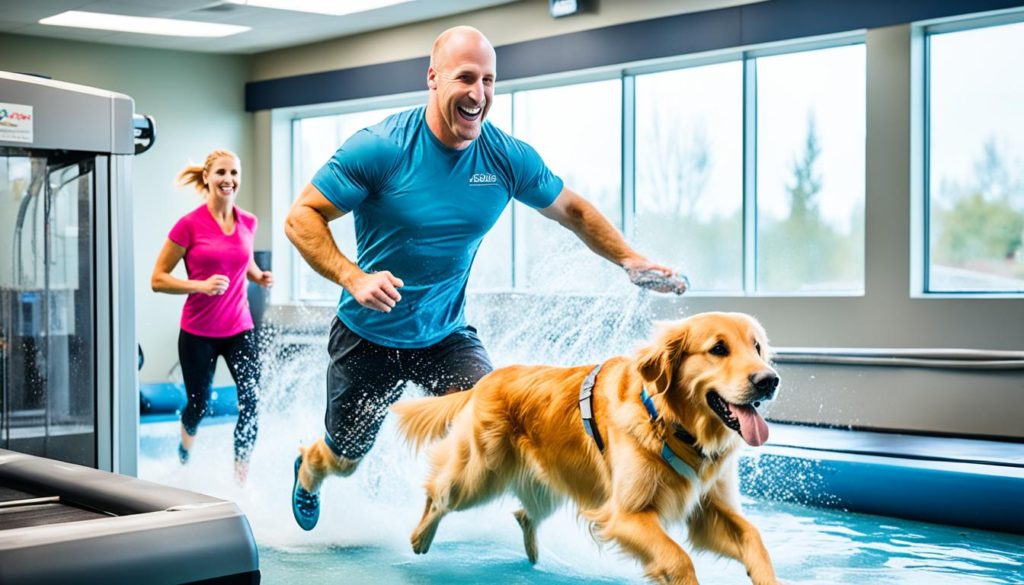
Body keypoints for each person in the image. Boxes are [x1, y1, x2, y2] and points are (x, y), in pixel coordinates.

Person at [285, 26, 686, 531]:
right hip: (367, 335)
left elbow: (574, 211)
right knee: (344, 457)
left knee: (501, 419)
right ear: (433, 79)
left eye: (489, 81)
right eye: (466, 78)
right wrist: (353, 276)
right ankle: (308, 470)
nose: (478, 94)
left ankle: (533, 509)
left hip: (446, 334)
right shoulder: (381, 148)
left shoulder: (504, 157)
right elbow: (301, 217)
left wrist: (629, 259)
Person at [151, 149, 273, 484]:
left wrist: (257, 275)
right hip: (198, 332)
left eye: (234, 173)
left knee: (251, 400)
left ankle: (240, 479)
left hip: (239, 328)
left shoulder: (248, 221)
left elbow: (241, 261)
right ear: (207, 177)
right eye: (221, 172)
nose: (229, 180)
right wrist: (200, 286)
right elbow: (157, 279)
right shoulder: (188, 225)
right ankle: (185, 453)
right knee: (199, 404)